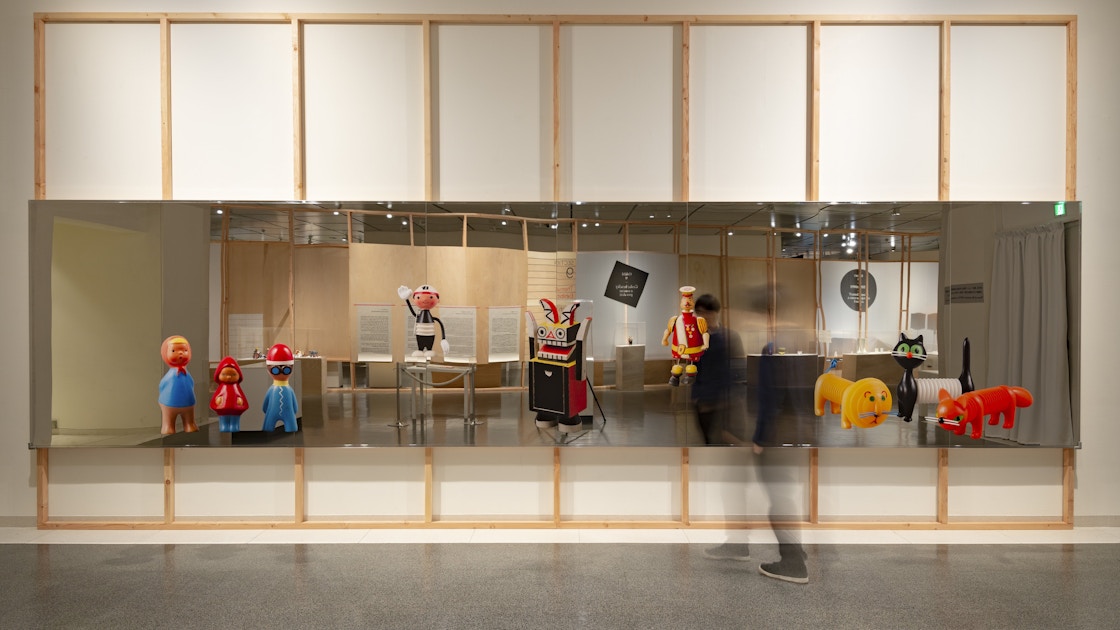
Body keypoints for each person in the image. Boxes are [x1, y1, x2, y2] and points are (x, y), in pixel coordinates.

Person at [752, 341, 809, 583]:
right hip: (793, 432)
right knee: (783, 497)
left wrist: (760, 438)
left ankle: (793, 563)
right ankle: (796, 552)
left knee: (779, 500)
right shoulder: (792, 348)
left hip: (775, 436)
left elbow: (770, 398)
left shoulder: (771, 351)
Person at [690, 294, 745, 445]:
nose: (703, 316)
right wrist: (696, 396)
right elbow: (695, 369)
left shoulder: (730, 337)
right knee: (710, 441)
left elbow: (739, 368)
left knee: (730, 440)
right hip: (705, 400)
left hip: (727, 399)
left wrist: (738, 395)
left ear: (716, 312)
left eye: (707, 312)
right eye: (699, 312)